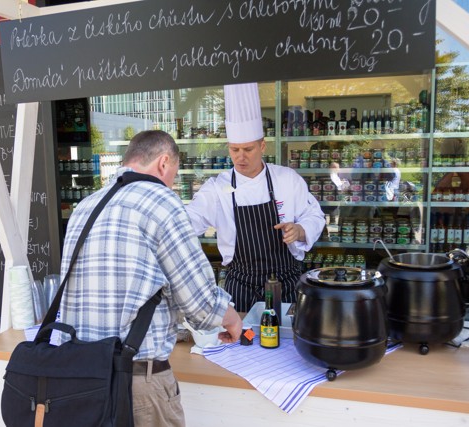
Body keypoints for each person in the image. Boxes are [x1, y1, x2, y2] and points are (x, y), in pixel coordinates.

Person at [60, 130, 242, 427]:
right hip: (135, 382)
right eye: (174, 173)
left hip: (79, 376)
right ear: (164, 162)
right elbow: (199, 302)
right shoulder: (162, 202)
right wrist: (231, 319)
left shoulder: (86, 206)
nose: (172, 181)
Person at [186, 83, 325, 312]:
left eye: (248, 149)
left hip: (286, 283)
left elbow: (314, 215)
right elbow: (188, 221)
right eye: (234, 150)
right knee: (240, 341)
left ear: (262, 146)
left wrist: (300, 229)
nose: (240, 157)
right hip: (240, 285)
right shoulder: (216, 188)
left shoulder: (287, 179)